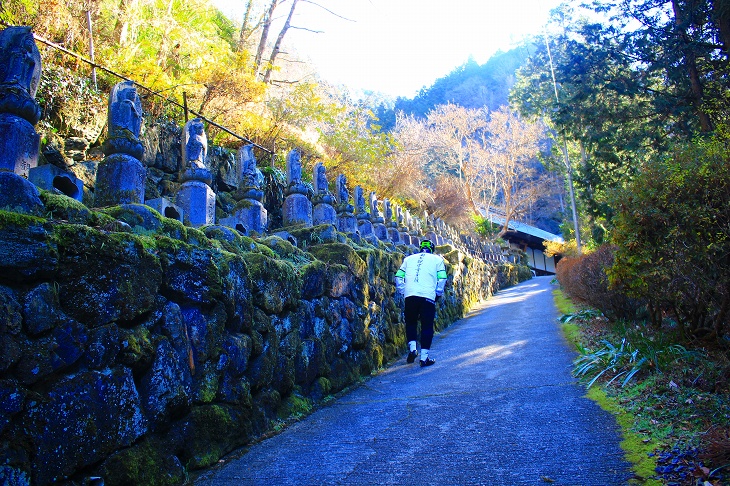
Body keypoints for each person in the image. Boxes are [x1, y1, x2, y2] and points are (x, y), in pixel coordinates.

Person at [394, 239, 448, 367]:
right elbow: (442, 278)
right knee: (427, 326)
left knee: (411, 322)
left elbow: (398, 276)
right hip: (428, 295)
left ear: (420, 248)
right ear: (432, 249)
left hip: (410, 295)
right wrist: (438, 293)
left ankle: (413, 349)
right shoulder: (437, 260)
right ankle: (424, 358)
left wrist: (403, 290)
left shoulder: (408, 259)